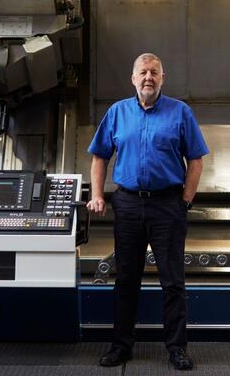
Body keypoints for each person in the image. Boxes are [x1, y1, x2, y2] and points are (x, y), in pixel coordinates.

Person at [88, 53, 209, 371]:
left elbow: (196, 159)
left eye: (154, 72)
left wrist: (184, 201)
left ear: (162, 78)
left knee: (173, 282)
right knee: (126, 280)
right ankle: (121, 346)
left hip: (168, 205)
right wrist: (98, 194)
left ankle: (177, 349)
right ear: (133, 78)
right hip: (127, 204)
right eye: (142, 72)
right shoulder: (117, 113)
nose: (148, 77)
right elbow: (100, 156)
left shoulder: (180, 112)